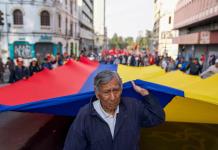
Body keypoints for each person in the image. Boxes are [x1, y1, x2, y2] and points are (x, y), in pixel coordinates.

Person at [63, 70, 165, 150]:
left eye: (116, 90)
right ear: (97, 93)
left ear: (121, 89)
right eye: (107, 92)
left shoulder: (133, 106)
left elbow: (158, 118)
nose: (113, 97)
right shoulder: (85, 115)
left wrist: (145, 93)